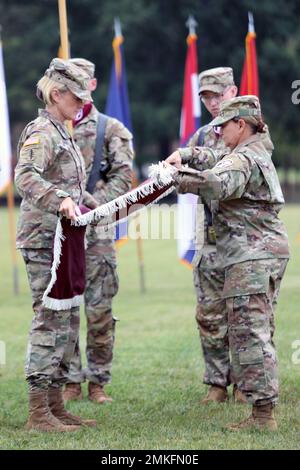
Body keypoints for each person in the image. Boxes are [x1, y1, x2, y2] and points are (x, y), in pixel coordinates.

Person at [166, 95, 290, 430]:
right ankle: (260, 409)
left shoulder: (244, 158)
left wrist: (175, 179)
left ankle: (263, 415)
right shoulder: (249, 152)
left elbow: (217, 183)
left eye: (224, 125)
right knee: (252, 329)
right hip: (258, 252)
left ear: (241, 124)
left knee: (249, 332)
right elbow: (213, 159)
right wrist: (188, 159)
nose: (218, 131)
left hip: (251, 256)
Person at [15, 58, 99, 432]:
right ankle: (38, 413)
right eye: (76, 96)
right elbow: (24, 176)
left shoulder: (61, 130)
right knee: (48, 321)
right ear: (56, 93)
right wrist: (60, 200)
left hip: (62, 240)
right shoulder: (42, 131)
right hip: (42, 240)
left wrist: (87, 201)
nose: (82, 103)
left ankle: (54, 406)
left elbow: (68, 183)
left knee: (64, 321)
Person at [63, 58, 133, 404]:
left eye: (83, 81)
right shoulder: (52, 127)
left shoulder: (110, 128)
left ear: (92, 85)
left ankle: (98, 381)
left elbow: (123, 175)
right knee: (65, 308)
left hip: (98, 235)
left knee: (99, 310)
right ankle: (71, 380)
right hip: (61, 233)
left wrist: (94, 205)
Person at [187, 67, 244, 403]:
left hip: (243, 240)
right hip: (209, 239)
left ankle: (247, 384)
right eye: (205, 96)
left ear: (232, 91)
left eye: (217, 94)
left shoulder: (250, 128)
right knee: (209, 314)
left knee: (244, 314)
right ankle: (217, 384)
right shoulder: (201, 136)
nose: (211, 101)